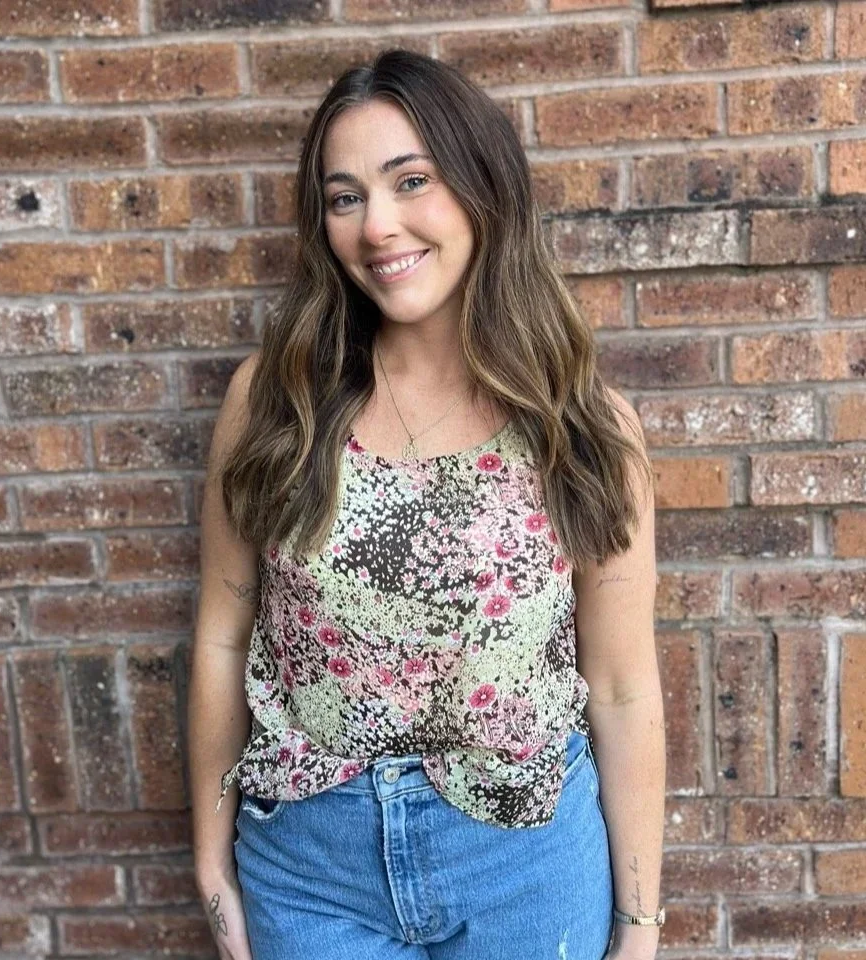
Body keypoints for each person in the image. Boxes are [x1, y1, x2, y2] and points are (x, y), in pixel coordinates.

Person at [188, 48, 664, 960]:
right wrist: (212, 865)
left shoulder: (582, 423)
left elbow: (623, 685)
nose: (379, 227)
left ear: (483, 189)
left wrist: (639, 928)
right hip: (309, 866)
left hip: (525, 865)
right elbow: (221, 633)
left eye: (413, 181)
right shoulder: (276, 399)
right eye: (345, 197)